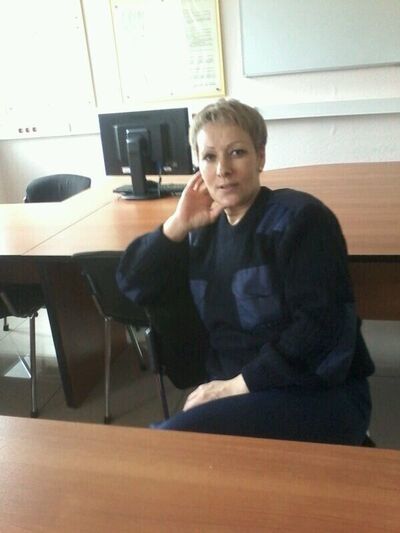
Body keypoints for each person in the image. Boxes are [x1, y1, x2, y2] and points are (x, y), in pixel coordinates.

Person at [117, 98, 374, 445]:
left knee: (170, 444)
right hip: (236, 393)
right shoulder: (201, 230)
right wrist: (177, 224)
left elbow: (320, 326)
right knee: (176, 449)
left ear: (260, 157)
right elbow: (132, 282)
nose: (222, 169)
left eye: (236, 152)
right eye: (209, 157)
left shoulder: (301, 220)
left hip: (316, 390)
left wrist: (238, 385)